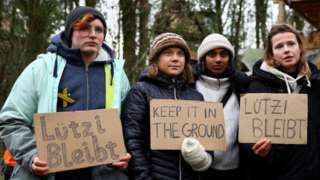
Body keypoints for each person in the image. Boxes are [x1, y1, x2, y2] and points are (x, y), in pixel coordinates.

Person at [0, 6, 131, 180]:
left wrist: (124, 153)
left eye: (99, 30)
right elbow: (11, 120)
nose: (93, 34)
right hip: (47, 174)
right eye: (84, 28)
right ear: (70, 32)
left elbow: (130, 126)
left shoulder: (118, 75)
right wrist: (31, 156)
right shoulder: (40, 69)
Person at [240, 23, 320, 180]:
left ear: (300, 48)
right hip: (277, 173)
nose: (286, 50)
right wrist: (257, 149)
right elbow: (246, 136)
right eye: (279, 46)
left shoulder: (316, 84)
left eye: (291, 44)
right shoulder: (257, 87)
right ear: (271, 54)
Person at [121, 32, 205, 180]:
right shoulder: (140, 92)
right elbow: (133, 141)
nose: (175, 58)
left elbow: (207, 139)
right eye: (168, 53)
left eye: (180, 54)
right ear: (156, 58)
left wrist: (201, 158)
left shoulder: (196, 97)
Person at [186, 33, 249, 179]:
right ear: (203, 58)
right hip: (197, 169)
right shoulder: (189, 85)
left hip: (235, 169)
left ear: (229, 59)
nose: (218, 59)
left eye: (223, 54)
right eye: (212, 54)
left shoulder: (242, 85)